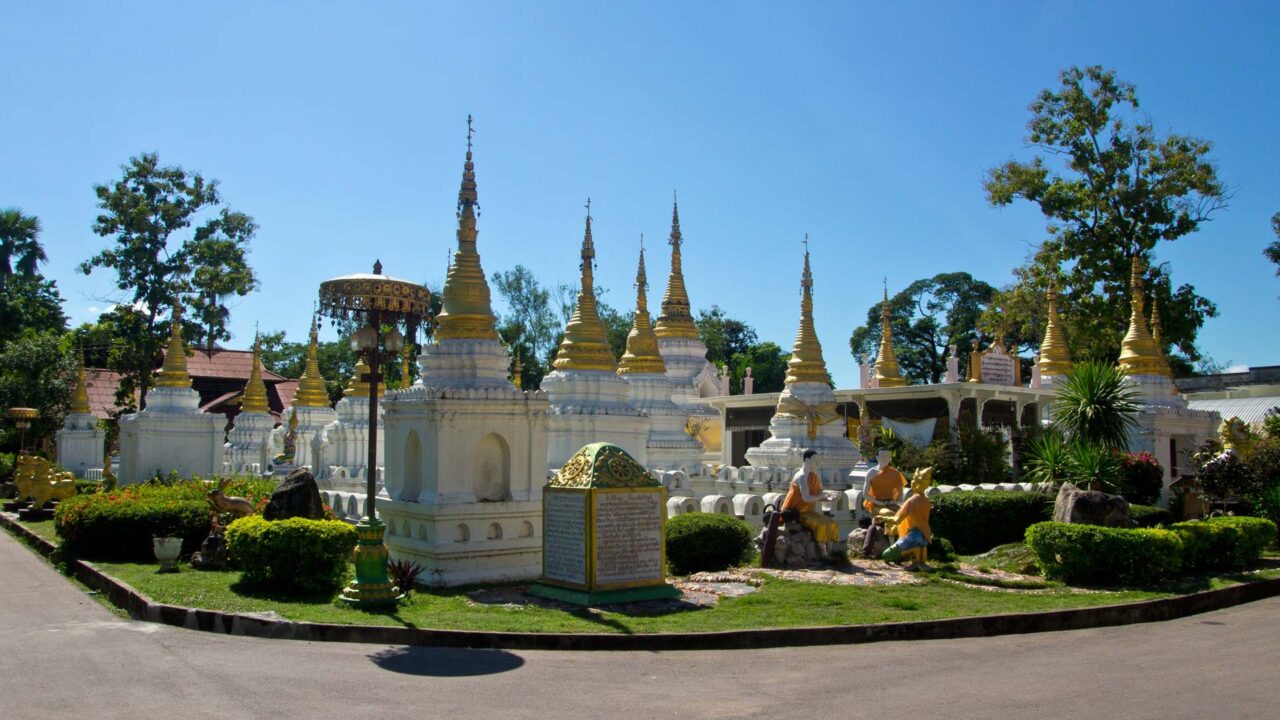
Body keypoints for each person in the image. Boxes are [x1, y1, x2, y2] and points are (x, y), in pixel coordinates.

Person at [781, 449, 841, 557]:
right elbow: (807, 498)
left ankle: (831, 552)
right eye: (815, 460)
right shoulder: (801, 476)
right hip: (796, 512)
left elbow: (818, 495)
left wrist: (830, 498)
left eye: (818, 460)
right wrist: (823, 496)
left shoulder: (814, 475)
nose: (817, 463)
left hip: (808, 511)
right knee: (821, 525)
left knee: (832, 524)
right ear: (807, 460)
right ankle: (823, 554)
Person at [882, 467, 934, 564]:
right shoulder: (927, 501)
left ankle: (912, 552)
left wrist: (882, 518)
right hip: (925, 536)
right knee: (899, 553)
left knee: (886, 555)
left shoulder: (911, 501)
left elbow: (897, 520)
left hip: (913, 536)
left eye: (914, 480)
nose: (912, 482)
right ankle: (917, 557)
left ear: (917, 483)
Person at [862, 448, 906, 514]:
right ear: (877, 458)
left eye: (887, 456)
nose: (885, 458)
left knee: (903, 514)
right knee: (887, 513)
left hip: (890, 502)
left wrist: (893, 502)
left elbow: (900, 495)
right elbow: (865, 494)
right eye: (882, 456)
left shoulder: (895, 473)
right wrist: (879, 502)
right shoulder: (871, 472)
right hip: (876, 503)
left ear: (890, 458)